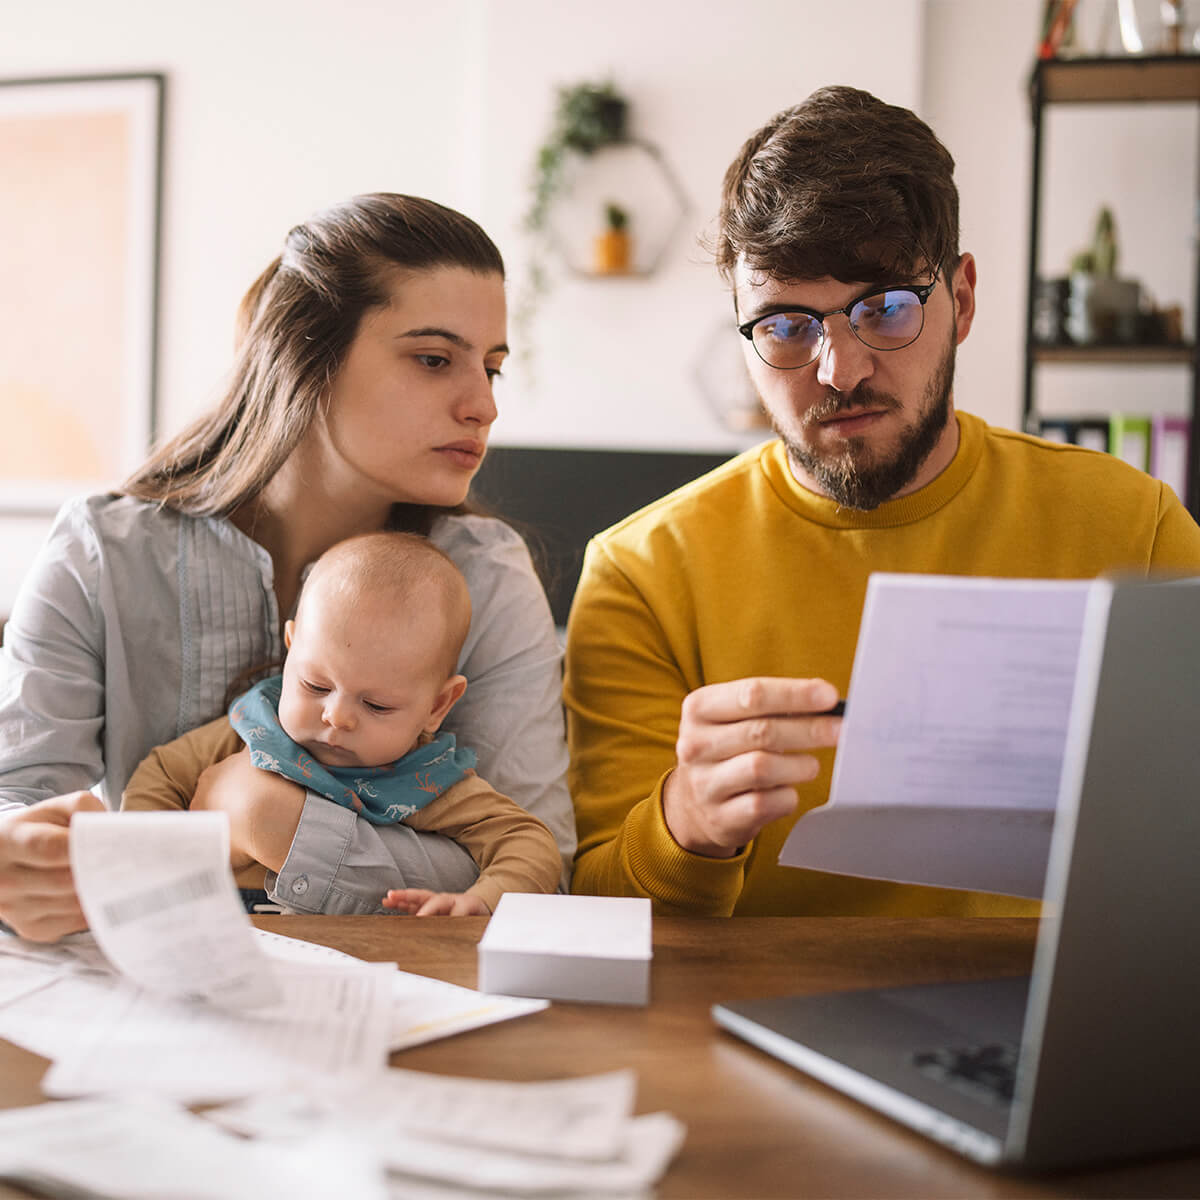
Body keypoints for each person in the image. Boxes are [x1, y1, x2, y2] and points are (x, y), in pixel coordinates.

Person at [565, 85, 1200, 918]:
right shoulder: (641, 573)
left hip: (1050, 1022)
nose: (840, 369)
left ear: (962, 300)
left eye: (886, 309)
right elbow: (597, 916)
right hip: (746, 1030)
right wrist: (686, 824)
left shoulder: (1134, 529)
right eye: (787, 325)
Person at [0, 193, 574, 942]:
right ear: (305, 357)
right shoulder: (99, 552)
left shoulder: (488, 577)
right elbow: (18, 796)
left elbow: (539, 867)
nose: (482, 406)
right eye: (434, 360)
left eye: (492, 369)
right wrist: (19, 860)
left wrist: (265, 819)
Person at [122, 532, 563, 916]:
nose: (337, 716)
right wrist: (147, 866)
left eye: (376, 705)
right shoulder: (254, 728)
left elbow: (529, 843)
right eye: (315, 685)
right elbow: (161, 774)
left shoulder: (426, 780)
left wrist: (483, 900)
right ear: (291, 649)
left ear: (438, 705)